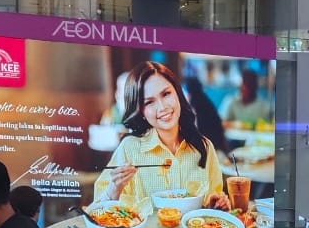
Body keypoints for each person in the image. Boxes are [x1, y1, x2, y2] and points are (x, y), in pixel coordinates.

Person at [93, 61, 230, 210]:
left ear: (178, 93)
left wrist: (216, 205)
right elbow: (97, 210)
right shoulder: (129, 149)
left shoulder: (205, 147)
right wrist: (114, 189)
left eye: (166, 94)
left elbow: (213, 203)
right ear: (141, 111)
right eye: (149, 102)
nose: (162, 107)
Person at [183, 75, 229, 159]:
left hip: (213, 150)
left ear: (189, 92)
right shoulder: (204, 101)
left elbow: (200, 134)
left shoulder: (199, 107)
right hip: (216, 147)